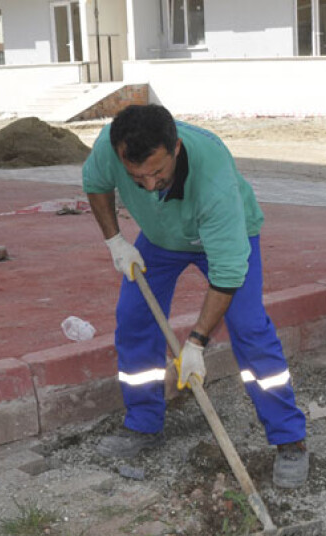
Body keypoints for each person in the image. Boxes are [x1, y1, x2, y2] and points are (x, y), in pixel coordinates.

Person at [82, 104, 309, 488]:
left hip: (221, 237)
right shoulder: (110, 144)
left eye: (158, 172)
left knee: (249, 326)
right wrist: (115, 241)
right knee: (135, 319)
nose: (150, 186)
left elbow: (228, 273)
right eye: (138, 178)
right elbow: (96, 183)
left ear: (176, 148)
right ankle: (143, 423)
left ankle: (290, 439)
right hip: (159, 238)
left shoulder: (213, 179)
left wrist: (197, 343)